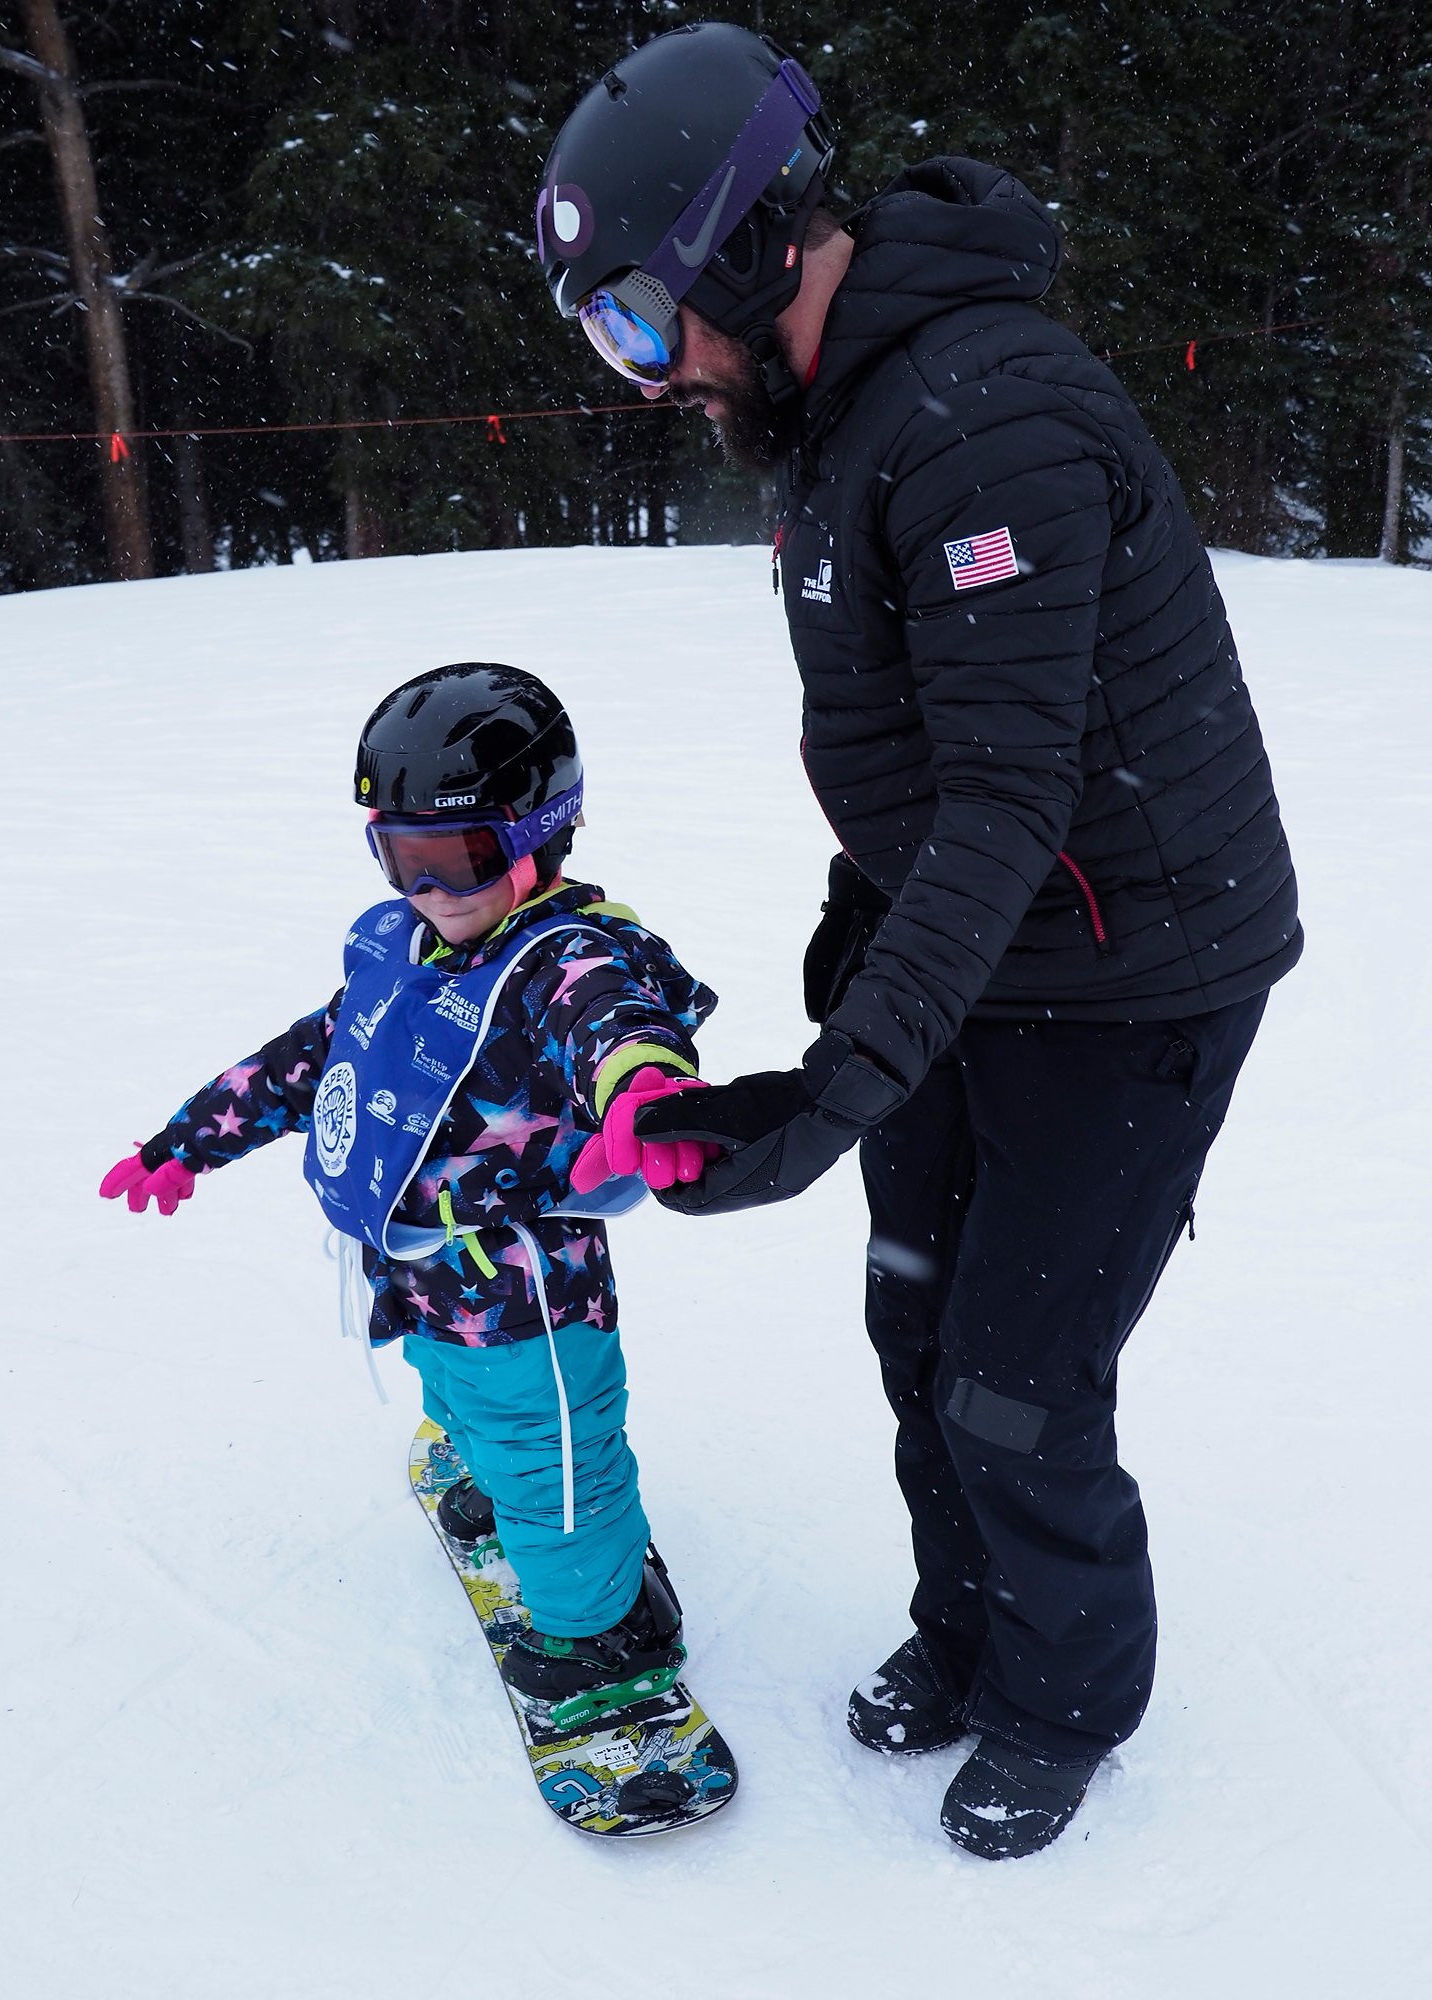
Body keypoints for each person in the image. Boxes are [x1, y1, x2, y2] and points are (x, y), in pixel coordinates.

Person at [539, 23, 1302, 1858]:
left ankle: (1064, 1693)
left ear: (738, 247)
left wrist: (827, 1095)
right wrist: (854, 948)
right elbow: (924, 758)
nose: (642, 380)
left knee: (1016, 1376)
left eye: (641, 322)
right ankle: (965, 1635)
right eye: (601, 340)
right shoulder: (837, 410)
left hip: (1137, 976)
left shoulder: (992, 422)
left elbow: (1007, 797)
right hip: (984, 947)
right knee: (914, 1323)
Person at [100, 662, 719, 1722]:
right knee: (454, 1388)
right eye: (403, 858)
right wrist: (189, 1139)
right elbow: (318, 1054)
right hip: (424, 1268)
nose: (429, 889)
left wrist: (647, 1094)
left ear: (537, 833)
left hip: (527, 1287)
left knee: (553, 1449)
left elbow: (615, 1026)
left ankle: (605, 1633)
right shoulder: (409, 948)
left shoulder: (556, 960)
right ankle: (489, 1469)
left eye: (459, 857)